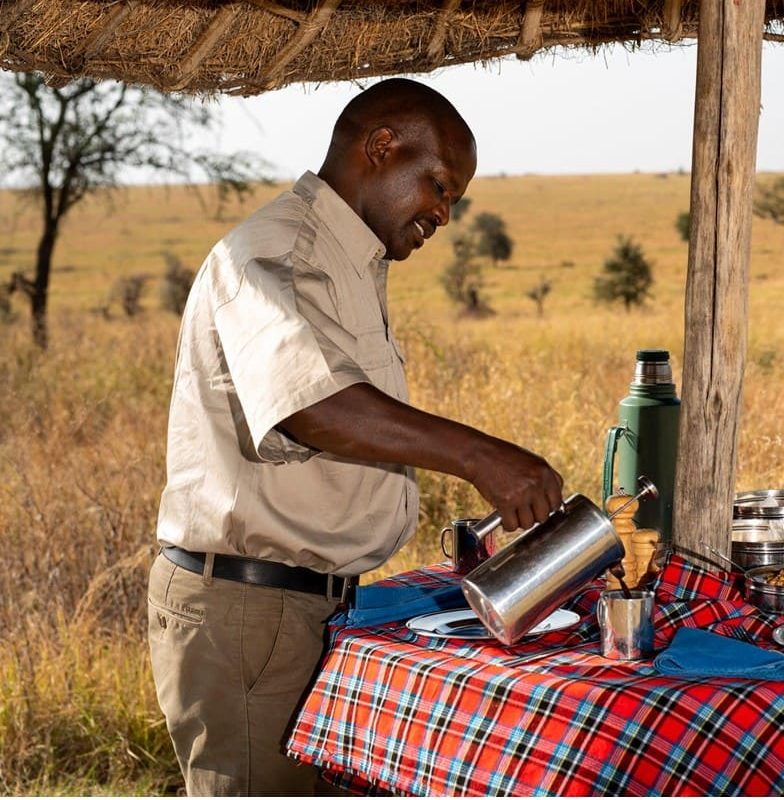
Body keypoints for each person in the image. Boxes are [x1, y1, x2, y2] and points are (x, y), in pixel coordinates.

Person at [147, 78, 564, 796]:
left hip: (313, 606)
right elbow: (316, 408)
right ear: (380, 147)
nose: (442, 212)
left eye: (452, 200)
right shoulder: (278, 254)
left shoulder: (348, 261)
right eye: (436, 185)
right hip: (255, 616)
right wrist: (480, 456)